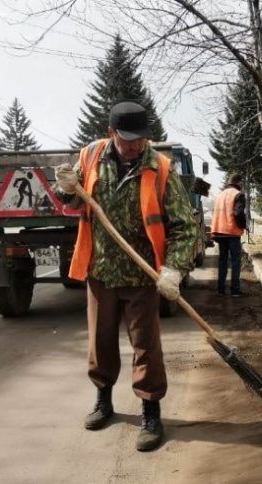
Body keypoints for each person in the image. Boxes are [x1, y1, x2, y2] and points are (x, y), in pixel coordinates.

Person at [55, 101, 198, 452]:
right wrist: (66, 189)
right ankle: (103, 400)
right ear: (111, 133)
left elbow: (184, 227)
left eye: (140, 138)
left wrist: (173, 269)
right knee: (100, 341)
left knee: (145, 346)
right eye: (127, 138)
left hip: (142, 276)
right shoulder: (90, 157)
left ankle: (151, 412)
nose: (135, 145)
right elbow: (73, 203)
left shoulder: (159, 167)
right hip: (101, 271)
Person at [211, 172, 247, 297]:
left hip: (220, 232)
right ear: (239, 183)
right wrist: (243, 225)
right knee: (236, 261)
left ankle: (221, 289)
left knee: (223, 261)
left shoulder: (220, 195)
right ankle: (235, 290)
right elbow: (238, 213)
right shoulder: (238, 195)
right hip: (232, 232)